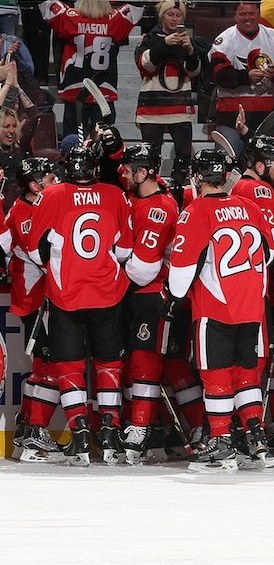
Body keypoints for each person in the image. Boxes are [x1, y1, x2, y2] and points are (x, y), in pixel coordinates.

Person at [167, 148, 274, 473]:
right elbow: (273, 246)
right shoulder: (249, 206)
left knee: (218, 378)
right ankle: (255, 435)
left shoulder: (195, 212)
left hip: (216, 309)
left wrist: (172, 291)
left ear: (198, 178)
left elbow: (180, 282)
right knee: (246, 375)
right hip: (252, 308)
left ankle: (221, 441)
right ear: (225, 176)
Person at [27, 142, 134, 467]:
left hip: (66, 295)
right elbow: (125, 251)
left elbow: (35, 252)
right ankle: (110, 435)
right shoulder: (115, 195)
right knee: (108, 365)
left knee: (70, 366)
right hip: (108, 294)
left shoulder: (52, 195)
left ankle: (80, 434)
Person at [120, 143, 180, 464]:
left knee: (146, 361)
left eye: (131, 170)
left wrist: (109, 275)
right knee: (136, 361)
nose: (125, 175)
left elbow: (143, 268)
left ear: (143, 172)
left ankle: (141, 427)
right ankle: (155, 427)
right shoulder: (139, 197)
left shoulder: (158, 208)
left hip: (152, 293)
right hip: (138, 293)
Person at [39, 0, 144, 138]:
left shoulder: (72, 19)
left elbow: (48, 5)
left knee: (73, 140)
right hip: (103, 90)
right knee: (103, 141)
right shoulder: (113, 21)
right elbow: (135, 9)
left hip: (74, 89)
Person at [8, 158, 61, 463]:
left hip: (40, 300)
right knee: (49, 367)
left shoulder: (37, 206)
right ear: (33, 185)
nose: (54, 179)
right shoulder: (25, 212)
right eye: (49, 176)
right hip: (35, 302)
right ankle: (32, 439)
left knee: (45, 366)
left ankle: (27, 431)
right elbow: (38, 254)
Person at [135, 0, 203, 183]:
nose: (174, 19)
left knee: (183, 156)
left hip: (180, 107)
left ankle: (178, 191)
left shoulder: (188, 42)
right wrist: (163, 44)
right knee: (150, 156)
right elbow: (144, 65)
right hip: (152, 107)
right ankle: (151, 191)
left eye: (178, 15)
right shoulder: (150, 38)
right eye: (170, 14)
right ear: (162, 16)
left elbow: (194, 71)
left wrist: (190, 51)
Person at [210, 0, 274, 134]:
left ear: (259, 14)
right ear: (235, 16)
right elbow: (219, 75)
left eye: (251, 13)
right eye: (242, 14)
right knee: (231, 155)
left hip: (268, 116)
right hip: (231, 116)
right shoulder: (224, 40)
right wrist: (246, 77)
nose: (247, 18)